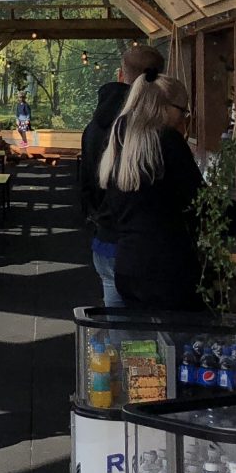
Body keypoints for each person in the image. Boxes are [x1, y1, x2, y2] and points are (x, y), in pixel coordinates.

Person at [98, 74, 205, 311]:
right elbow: (201, 201)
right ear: (164, 107)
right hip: (166, 265)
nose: (184, 118)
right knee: (175, 340)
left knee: (136, 342)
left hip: (126, 262)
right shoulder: (167, 141)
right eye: (183, 110)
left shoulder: (120, 138)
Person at [80, 44, 167, 309]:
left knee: (116, 321)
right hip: (144, 242)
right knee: (146, 326)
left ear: (121, 74)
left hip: (105, 236)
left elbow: (87, 184)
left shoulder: (94, 127)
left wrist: (98, 215)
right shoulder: (150, 131)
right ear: (158, 80)